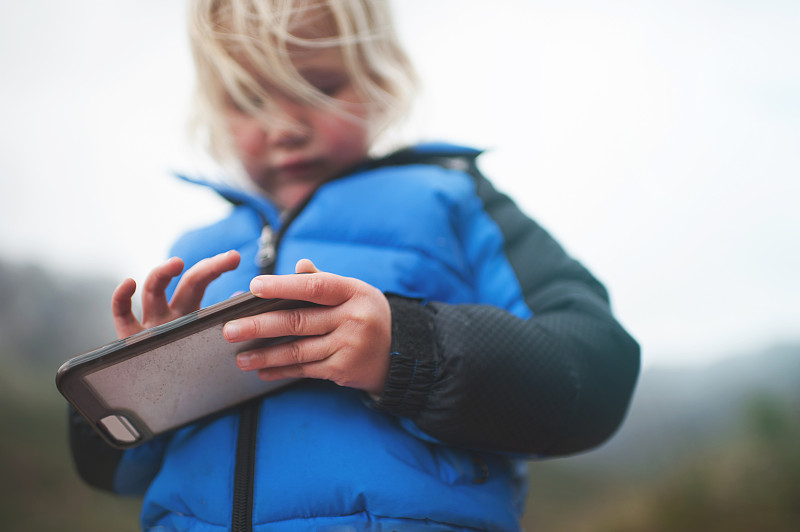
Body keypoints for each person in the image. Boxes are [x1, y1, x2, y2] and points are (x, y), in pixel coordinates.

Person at [69, 0, 640, 530]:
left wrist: (408, 351)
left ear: (378, 78)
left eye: (319, 86)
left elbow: (594, 372)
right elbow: (111, 473)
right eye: (249, 100)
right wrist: (139, 384)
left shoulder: (452, 200)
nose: (285, 127)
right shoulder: (194, 248)